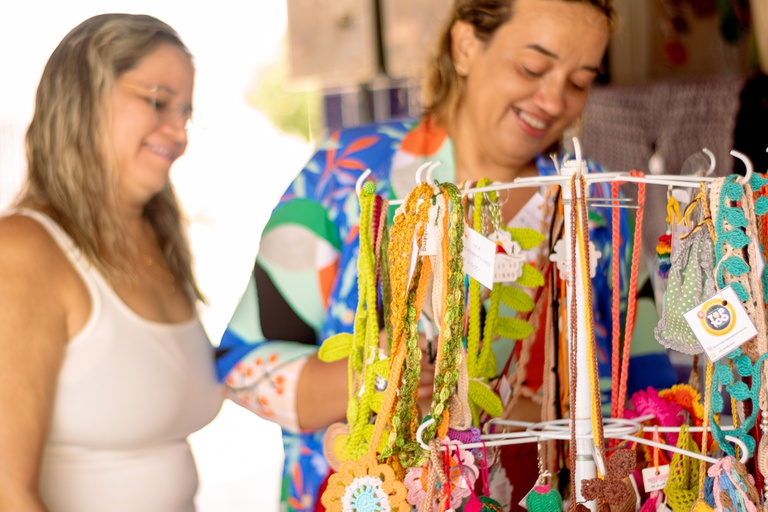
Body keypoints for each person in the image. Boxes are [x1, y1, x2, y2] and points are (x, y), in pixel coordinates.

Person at [216, 0, 678, 510]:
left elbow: (652, 393)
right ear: (465, 46)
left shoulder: (596, 203)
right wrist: (373, 381)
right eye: (532, 67)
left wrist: (547, 417)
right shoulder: (346, 174)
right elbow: (241, 366)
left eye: (579, 80)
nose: (553, 99)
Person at [0, 14, 223, 512]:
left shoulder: (159, 239)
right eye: (158, 101)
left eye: (185, 112)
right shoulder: (23, 250)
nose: (179, 133)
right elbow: (7, 492)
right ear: (84, 97)